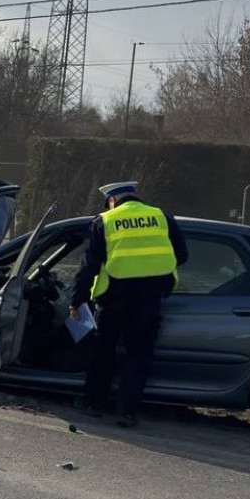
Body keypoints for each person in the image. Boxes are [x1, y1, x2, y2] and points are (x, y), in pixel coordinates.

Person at [70, 182, 188, 428]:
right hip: (149, 300)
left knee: (104, 351)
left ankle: (93, 404)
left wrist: (77, 300)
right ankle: (127, 412)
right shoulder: (162, 217)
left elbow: (88, 267)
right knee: (139, 355)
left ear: (112, 200)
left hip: (113, 300)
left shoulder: (104, 221)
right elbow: (182, 255)